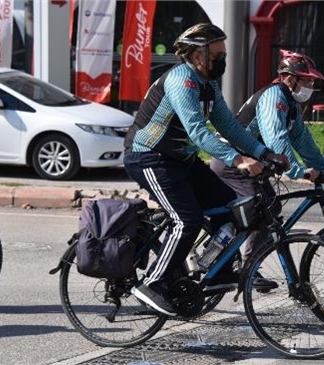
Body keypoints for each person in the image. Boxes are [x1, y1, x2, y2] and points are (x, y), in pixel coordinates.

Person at [122, 23, 287, 316]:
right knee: (187, 220)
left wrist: (264, 152)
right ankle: (153, 283)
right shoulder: (181, 80)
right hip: (149, 158)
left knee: (231, 210)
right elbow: (198, 132)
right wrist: (237, 160)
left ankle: (219, 270)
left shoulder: (207, 84)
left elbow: (228, 126)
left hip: (180, 160)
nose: (223, 59)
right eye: (218, 54)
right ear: (198, 55)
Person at [211, 49, 324, 269]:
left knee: (270, 208)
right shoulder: (274, 96)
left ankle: (248, 268)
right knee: (258, 209)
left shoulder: (291, 105)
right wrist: (299, 171)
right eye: (306, 80)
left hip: (254, 164)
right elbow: (275, 138)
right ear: (289, 78)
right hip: (233, 161)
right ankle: (223, 260)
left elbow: (302, 140)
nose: (310, 86)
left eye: (311, 82)